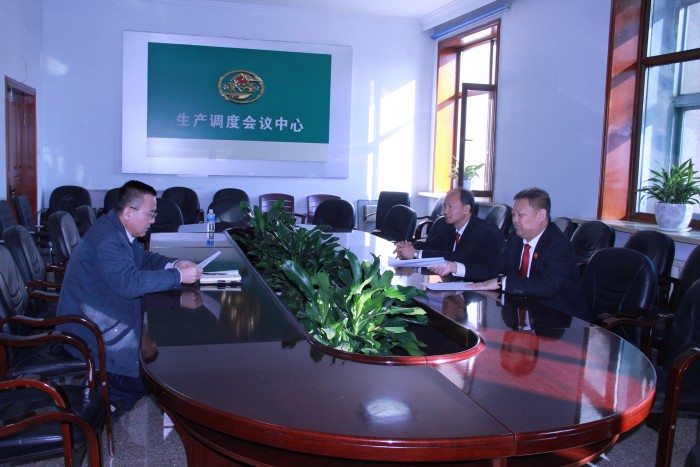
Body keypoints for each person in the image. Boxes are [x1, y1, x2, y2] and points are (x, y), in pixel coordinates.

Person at [57, 180, 202, 414]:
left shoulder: (117, 228)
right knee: (163, 375)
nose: (153, 221)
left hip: (106, 313)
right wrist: (177, 276)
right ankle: (108, 394)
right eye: (150, 214)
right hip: (93, 332)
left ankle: (118, 395)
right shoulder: (108, 240)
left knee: (162, 349)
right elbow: (129, 284)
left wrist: (174, 264)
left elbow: (141, 260)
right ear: (128, 212)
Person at [430, 187, 591, 321]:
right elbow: (494, 267)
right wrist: (455, 267)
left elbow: (546, 286)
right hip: (524, 312)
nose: (515, 220)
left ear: (541, 215)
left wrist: (502, 282)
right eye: (513, 214)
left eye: (521, 215)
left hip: (563, 321)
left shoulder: (558, 244)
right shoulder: (516, 238)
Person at [394, 188, 504, 281]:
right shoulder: (451, 227)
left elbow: (458, 258)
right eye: (444, 206)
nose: (445, 211)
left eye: (450, 206)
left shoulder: (481, 231)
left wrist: (415, 254)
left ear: (466, 209)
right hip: (456, 282)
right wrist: (408, 247)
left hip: (482, 287)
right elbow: (432, 245)